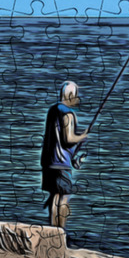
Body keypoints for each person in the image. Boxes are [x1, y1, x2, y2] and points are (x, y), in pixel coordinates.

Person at [41, 80, 90, 229]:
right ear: (70, 95)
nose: (77, 98)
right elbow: (68, 139)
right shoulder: (68, 114)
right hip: (61, 163)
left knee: (55, 196)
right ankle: (60, 231)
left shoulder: (52, 110)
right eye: (75, 95)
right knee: (64, 197)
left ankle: (52, 231)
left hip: (48, 162)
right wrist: (83, 136)